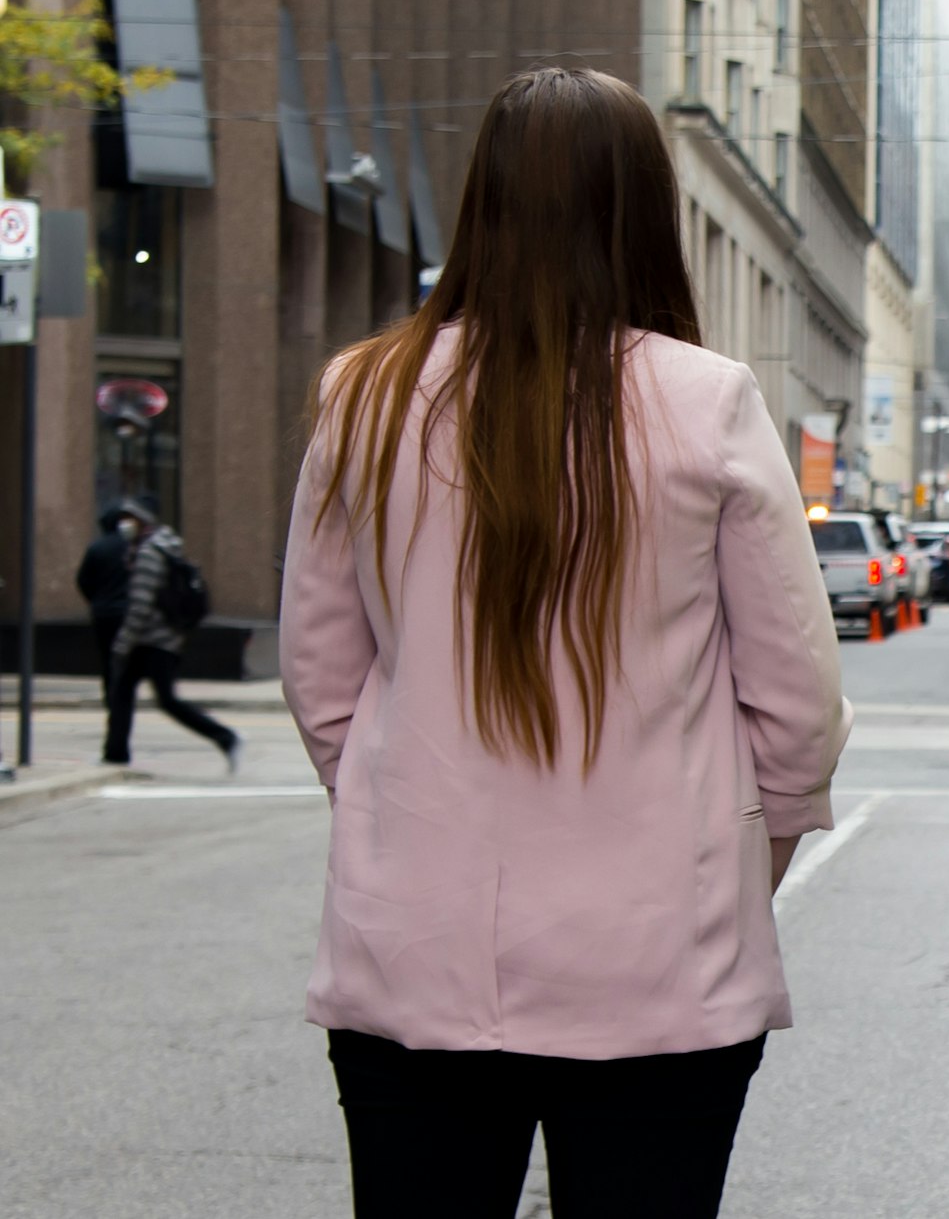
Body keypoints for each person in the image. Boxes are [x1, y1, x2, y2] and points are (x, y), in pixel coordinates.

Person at [279, 68, 850, 1219]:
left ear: (479, 200)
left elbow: (322, 678)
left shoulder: (366, 395)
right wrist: (736, 869)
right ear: (642, 210)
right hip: (658, 960)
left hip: (418, 952)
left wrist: (401, 823)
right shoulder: (708, 401)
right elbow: (794, 708)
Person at [103, 498, 239, 771]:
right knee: (124, 693)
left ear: (142, 521)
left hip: (152, 640)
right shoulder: (163, 546)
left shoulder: (149, 553)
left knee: (164, 700)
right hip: (161, 638)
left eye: (130, 518)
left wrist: (121, 643)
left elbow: (141, 604)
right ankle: (115, 753)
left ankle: (225, 737)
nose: (124, 524)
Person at [76, 504, 135, 700]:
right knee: (125, 658)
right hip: (126, 611)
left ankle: (110, 694)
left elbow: (83, 580)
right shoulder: (131, 548)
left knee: (107, 656)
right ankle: (122, 695)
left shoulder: (96, 548)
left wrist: (95, 600)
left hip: (103, 612)